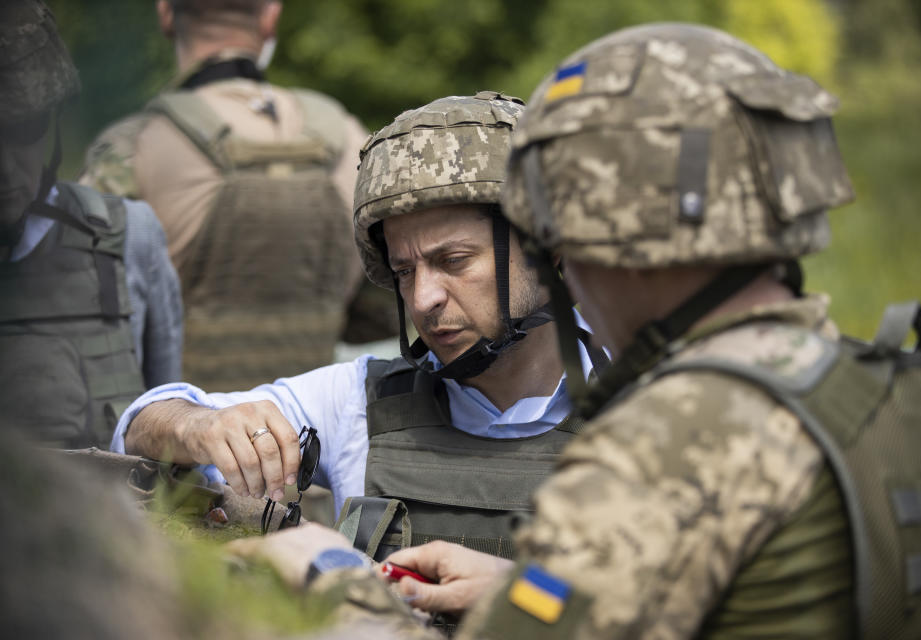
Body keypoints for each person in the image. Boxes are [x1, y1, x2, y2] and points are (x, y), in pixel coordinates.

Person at [230, 24, 921, 639]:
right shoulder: (889, 385)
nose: (565, 266)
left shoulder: (672, 440)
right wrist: (533, 587)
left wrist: (333, 578)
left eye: (563, 232)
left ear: (621, 236)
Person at [113, 92, 607, 559]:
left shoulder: (651, 403)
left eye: (453, 260)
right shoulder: (356, 402)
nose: (423, 298)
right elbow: (138, 427)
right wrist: (197, 425)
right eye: (404, 271)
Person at [80, 0, 396, 392]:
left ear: (165, 14)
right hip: (310, 439)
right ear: (270, 17)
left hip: (171, 441)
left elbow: (79, 312)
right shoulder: (350, 138)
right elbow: (383, 306)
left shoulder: (135, 146)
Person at [0, 0, 182, 448]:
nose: (5, 167)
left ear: (54, 123)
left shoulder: (126, 237)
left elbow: (167, 424)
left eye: (25, 130)